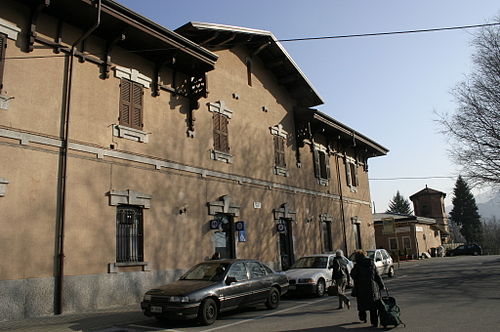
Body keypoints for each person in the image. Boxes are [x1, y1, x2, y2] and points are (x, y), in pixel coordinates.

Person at [350, 250, 386, 327]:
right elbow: (377, 275)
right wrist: (382, 285)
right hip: (372, 287)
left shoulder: (357, 265)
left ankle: (363, 317)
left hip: (361, 288)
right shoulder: (371, 263)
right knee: (373, 306)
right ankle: (374, 322)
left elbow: (353, 275)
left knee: (362, 304)